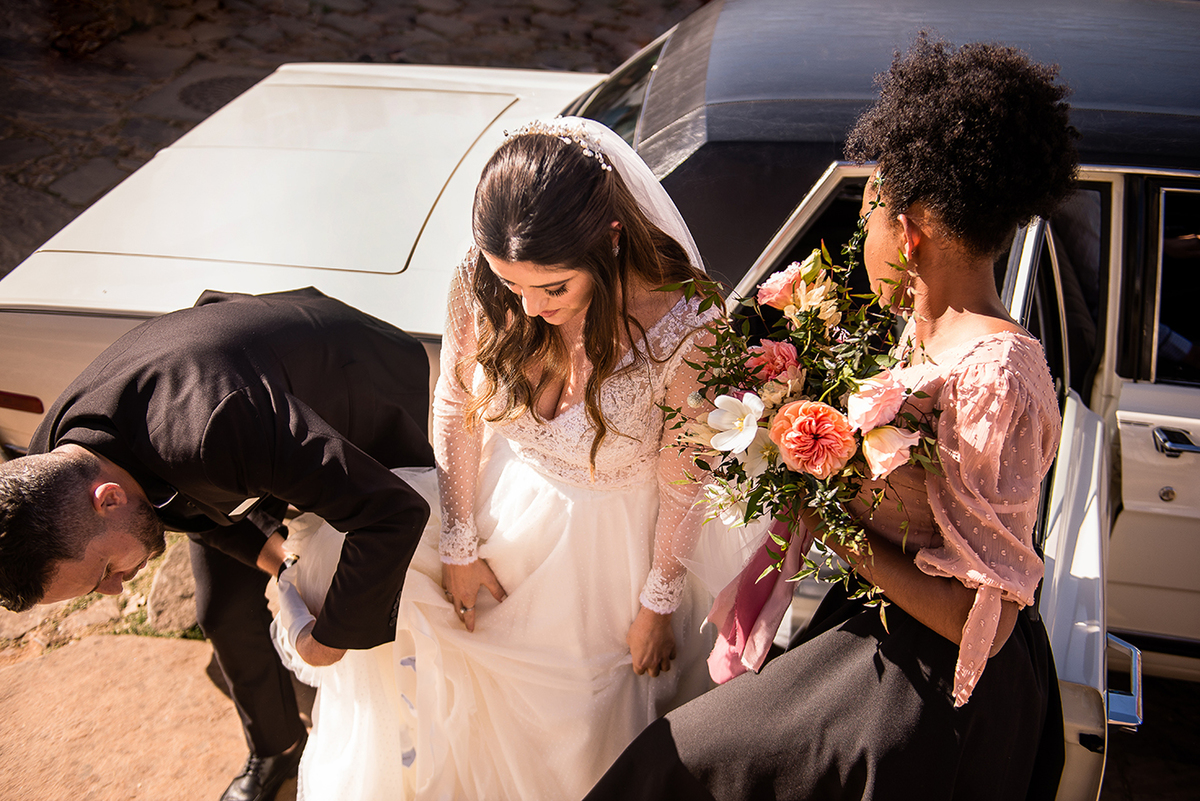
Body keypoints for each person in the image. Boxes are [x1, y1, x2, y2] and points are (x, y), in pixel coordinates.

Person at [583, 35, 1077, 801]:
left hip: (931, 690)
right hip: (876, 628)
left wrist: (822, 508)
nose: (860, 238)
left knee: (678, 765)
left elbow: (981, 617)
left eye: (870, 215)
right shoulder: (926, 329)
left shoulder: (997, 374)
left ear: (910, 232)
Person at [276, 117, 717, 801]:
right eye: (513, 284)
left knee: (567, 735)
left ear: (610, 239)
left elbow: (683, 478)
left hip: (602, 560)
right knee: (348, 554)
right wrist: (457, 539)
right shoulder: (480, 278)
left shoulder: (681, 325)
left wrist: (657, 602)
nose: (529, 308)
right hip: (497, 507)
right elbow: (455, 401)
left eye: (553, 289)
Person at [0, 287, 435, 801]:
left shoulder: (214, 431)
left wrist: (331, 637)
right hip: (236, 422)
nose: (116, 590)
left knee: (400, 584)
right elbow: (185, 509)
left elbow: (391, 512)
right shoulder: (53, 465)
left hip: (349, 380)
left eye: (102, 575)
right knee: (222, 609)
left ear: (108, 499)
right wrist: (280, 560)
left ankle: (425, 734)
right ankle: (277, 747)